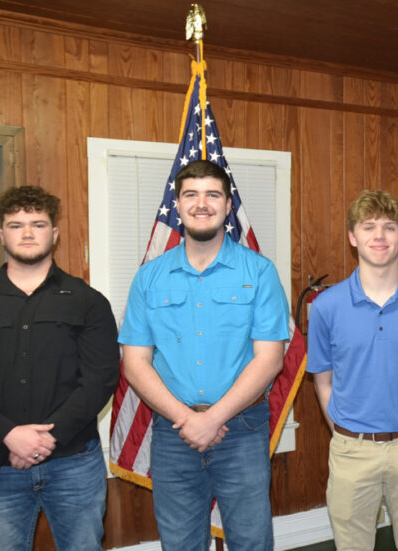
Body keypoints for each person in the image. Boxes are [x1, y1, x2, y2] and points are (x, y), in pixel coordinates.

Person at [119, 160, 290, 550]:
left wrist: (212, 419)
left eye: (213, 195)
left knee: (251, 541)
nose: (201, 204)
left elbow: (270, 359)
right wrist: (187, 420)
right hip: (173, 432)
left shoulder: (259, 272)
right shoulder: (149, 277)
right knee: (180, 543)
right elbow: (135, 363)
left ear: (228, 206)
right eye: (191, 195)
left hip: (242, 431)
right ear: (177, 205)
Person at [0, 186, 119, 550]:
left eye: (38, 224)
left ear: (55, 233)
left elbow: (100, 378)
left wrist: (48, 437)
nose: (27, 233)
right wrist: (8, 434)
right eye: (16, 225)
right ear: (1, 234)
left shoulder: (88, 302)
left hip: (73, 465)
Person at [307, 189, 398, 551]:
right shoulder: (326, 306)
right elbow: (323, 381)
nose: (379, 236)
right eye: (368, 226)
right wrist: (344, 431)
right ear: (352, 236)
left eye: (390, 227)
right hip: (351, 450)